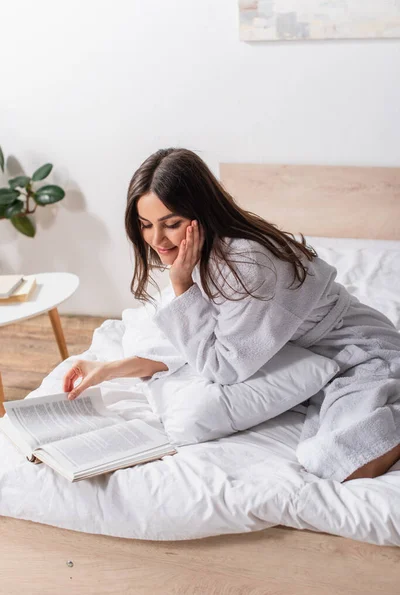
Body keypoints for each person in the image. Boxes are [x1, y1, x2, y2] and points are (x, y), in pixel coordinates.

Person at [62, 147, 400, 483]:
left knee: (343, 461)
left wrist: (181, 285)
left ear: (201, 213)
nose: (156, 239)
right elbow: (189, 340)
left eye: (171, 224)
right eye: (146, 224)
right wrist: (109, 369)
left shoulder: (247, 265)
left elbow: (221, 367)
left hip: (363, 351)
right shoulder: (201, 254)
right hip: (318, 356)